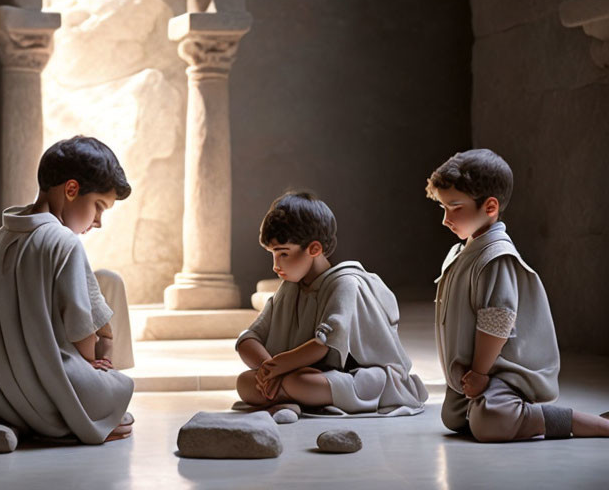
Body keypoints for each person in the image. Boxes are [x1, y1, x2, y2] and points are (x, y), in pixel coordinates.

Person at [0, 136, 135, 444]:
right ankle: (78, 420)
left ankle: (18, 421)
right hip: (47, 397)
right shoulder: (65, 243)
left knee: (106, 282)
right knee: (119, 392)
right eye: (99, 207)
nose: (99, 221)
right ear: (71, 190)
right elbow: (82, 330)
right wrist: (91, 364)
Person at [426, 148, 609, 441]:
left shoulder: (495, 258)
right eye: (443, 207)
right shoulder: (463, 252)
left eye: (455, 207)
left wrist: (481, 373)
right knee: (453, 417)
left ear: (489, 207)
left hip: (504, 370)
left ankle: (590, 424)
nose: (446, 218)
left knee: (492, 422)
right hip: (479, 369)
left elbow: (496, 322)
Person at [235, 191, 427, 419]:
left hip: (356, 375)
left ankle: (286, 399)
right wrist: (270, 370)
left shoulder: (345, 282)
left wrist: (279, 367)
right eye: (272, 254)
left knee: (301, 382)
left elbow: (323, 344)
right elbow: (249, 338)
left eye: (283, 253)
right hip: (300, 373)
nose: (276, 265)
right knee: (245, 383)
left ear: (314, 249)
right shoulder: (290, 286)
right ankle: (286, 396)